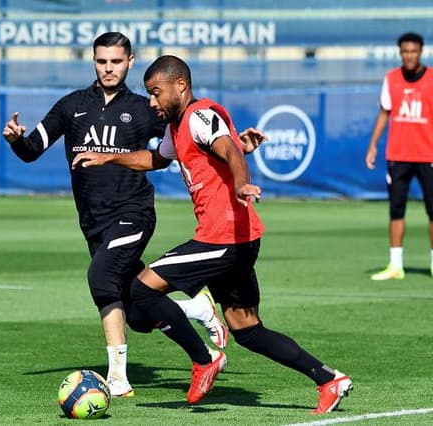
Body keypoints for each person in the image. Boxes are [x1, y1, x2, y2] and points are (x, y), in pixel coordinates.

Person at [72, 55, 352, 413]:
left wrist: (242, 185)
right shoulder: (178, 128)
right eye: (149, 95)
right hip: (238, 239)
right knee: (247, 329)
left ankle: (204, 358)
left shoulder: (200, 115)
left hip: (223, 238)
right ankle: (329, 379)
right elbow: (156, 159)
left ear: (181, 86)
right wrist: (108, 158)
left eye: (157, 93)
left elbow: (230, 150)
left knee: (142, 288)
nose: (152, 102)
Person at [2, 32, 228, 397]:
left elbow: (190, 129)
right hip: (93, 221)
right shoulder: (70, 105)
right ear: (93, 61)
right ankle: (197, 308)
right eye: (101, 61)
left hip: (133, 213)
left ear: (130, 62)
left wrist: (233, 145)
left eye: (116, 61)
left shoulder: (144, 107)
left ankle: (119, 378)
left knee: (101, 277)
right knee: (138, 313)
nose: (108, 68)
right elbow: (31, 150)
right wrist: (16, 140)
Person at [365, 32, 433, 281]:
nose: (409, 55)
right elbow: (384, 113)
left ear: (421, 52)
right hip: (398, 155)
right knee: (396, 210)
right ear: (400, 53)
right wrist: (372, 145)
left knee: (432, 211)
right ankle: (396, 265)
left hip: (428, 155)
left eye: (414, 51)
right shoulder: (391, 78)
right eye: (405, 51)